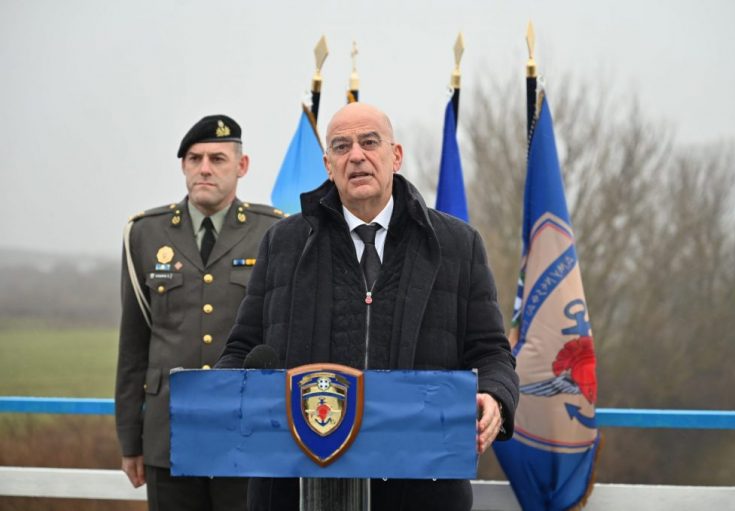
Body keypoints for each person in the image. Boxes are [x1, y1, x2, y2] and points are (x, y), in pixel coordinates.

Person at [216, 103, 519, 511]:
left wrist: (494, 395)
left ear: (396, 156)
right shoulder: (282, 243)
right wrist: (219, 397)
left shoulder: (457, 245)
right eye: (342, 147)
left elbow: (491, 353)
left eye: (369, 142)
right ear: (328, 165)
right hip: (296, 488)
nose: (356, 156)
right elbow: (242, 349)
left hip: (422, 490)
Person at [115, 114, 285, 511]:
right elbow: (134, 345)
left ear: (242, 166)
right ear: (183, 166)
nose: (204, 168)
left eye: (217, 158)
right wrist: (130, 440)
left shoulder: (274, 232)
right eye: (194, 158)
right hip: (168, 433)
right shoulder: (144, 233)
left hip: (247, 432)